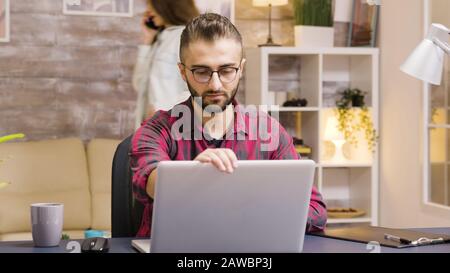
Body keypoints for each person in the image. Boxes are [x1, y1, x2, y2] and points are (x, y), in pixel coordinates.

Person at [130, 13, 327, 237]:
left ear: (241, 69)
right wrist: (192, 177)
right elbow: (150, 180)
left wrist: (258, 210)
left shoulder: (269, 132)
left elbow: (315, 210)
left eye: (226, 71)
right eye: (202, 72)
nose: (215, 84)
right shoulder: (155, 130)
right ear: (183, 72)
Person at [132, 0, 199, 129]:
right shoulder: (160, 39)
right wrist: (147, 40)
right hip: (150, 129)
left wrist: (163, 108)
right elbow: (138, 84)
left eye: (152, 5)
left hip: (172, 126)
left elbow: (197, 88)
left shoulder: (186, 38)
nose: (148, 11)